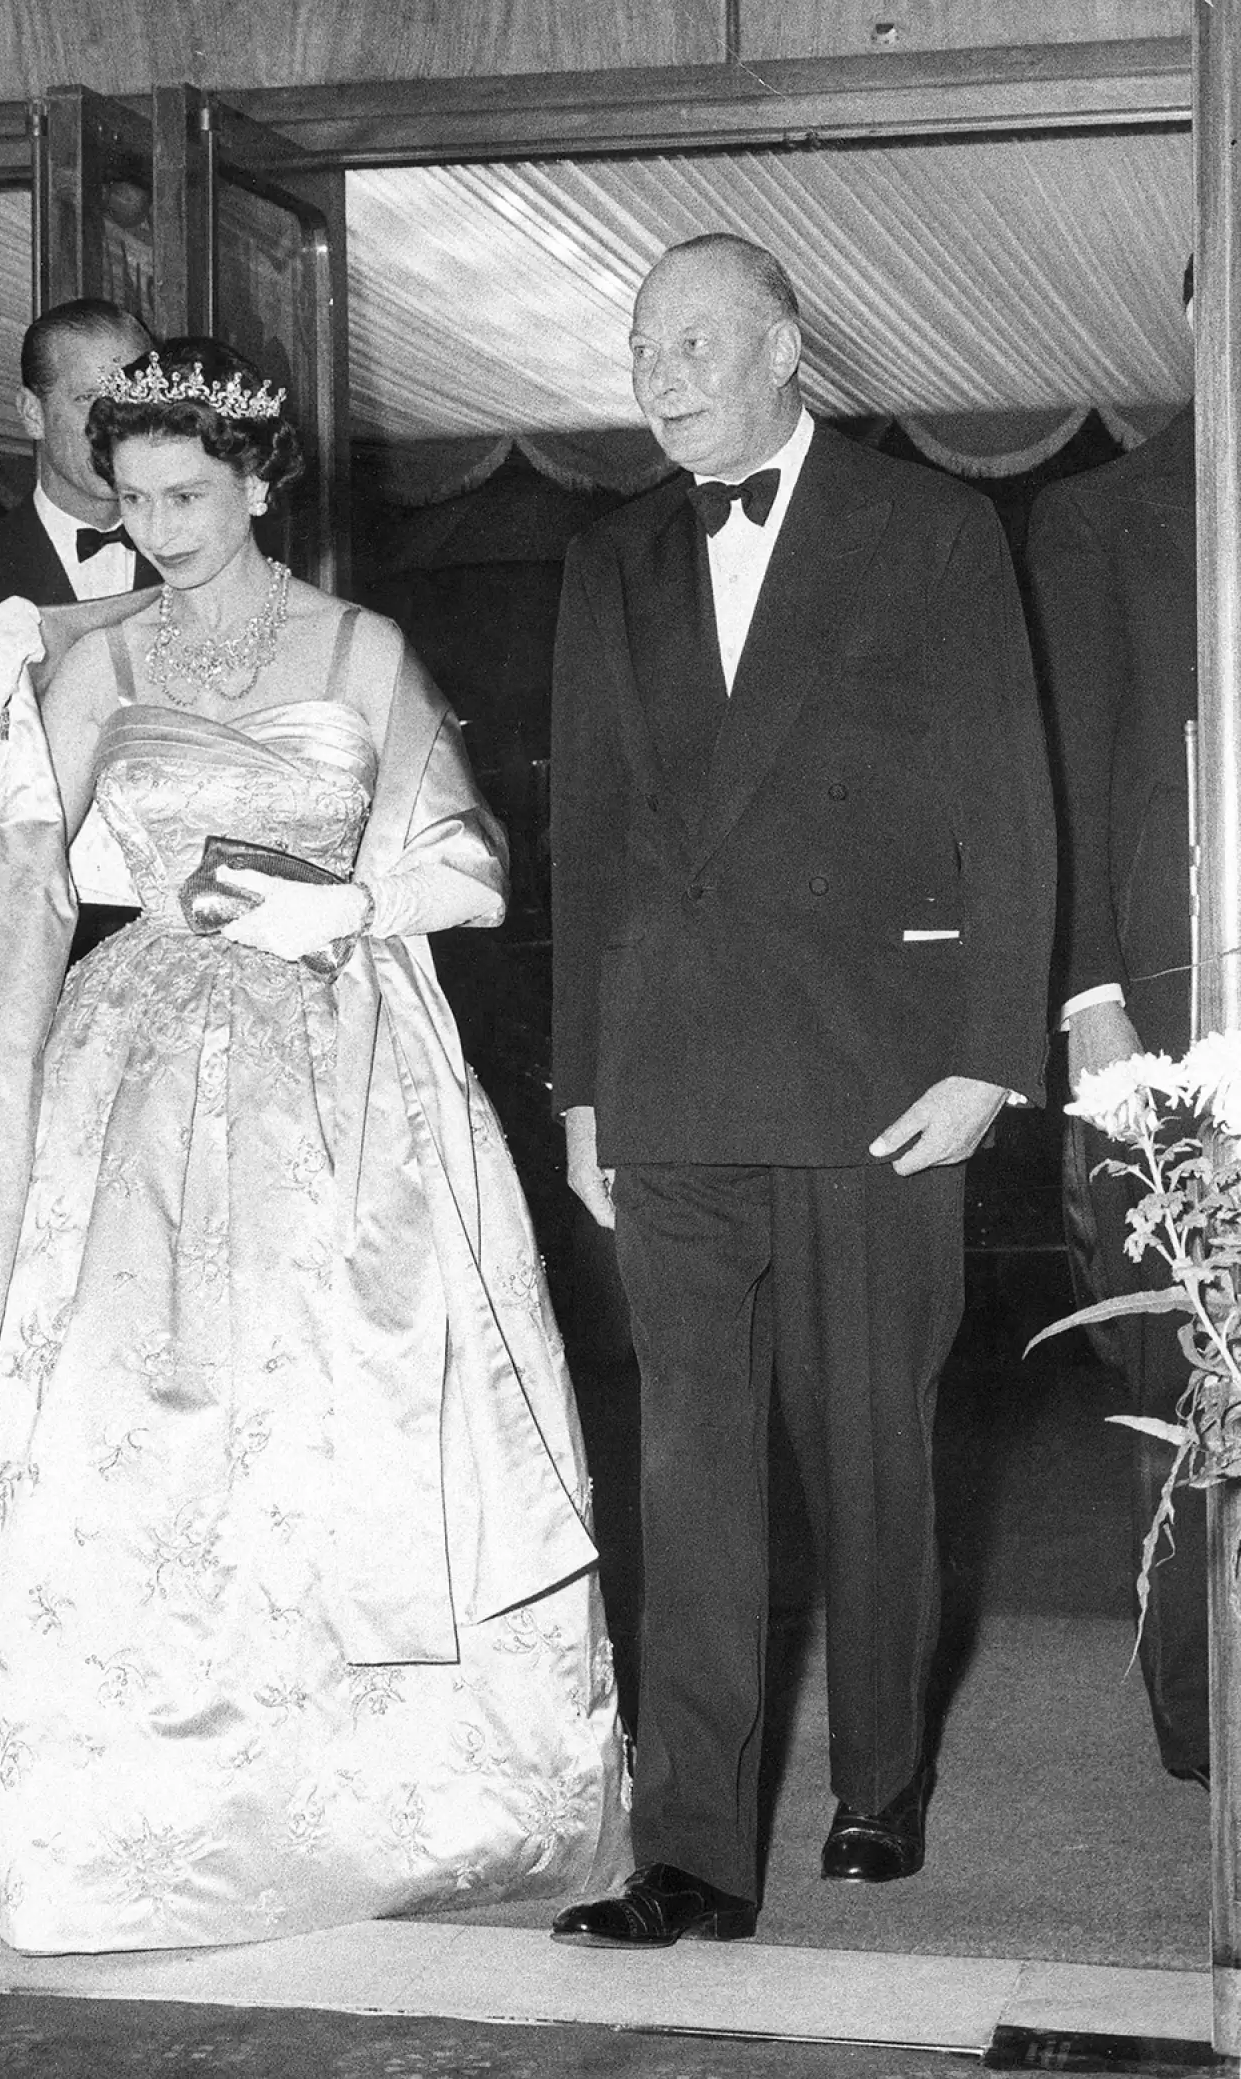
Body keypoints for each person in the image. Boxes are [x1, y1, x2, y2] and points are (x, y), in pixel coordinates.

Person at [0, 337, 628, 1954]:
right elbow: (10, 887)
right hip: (134, 1063)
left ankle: (392, 1796)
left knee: (333, 1409)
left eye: (187, 493)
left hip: (337, 1056)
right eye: (131, 500)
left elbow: (471, 861)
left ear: (259, 485)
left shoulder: (358, 643)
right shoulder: (93, 658)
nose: (159, 527)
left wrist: (358, 899)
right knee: (123, 1420)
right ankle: (117, 1819)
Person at [547, 234, 1055, 1947]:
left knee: (872, 1456)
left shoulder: (933, 525)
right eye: (642, 347)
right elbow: (590, 838)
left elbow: (1010, 793)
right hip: (675, 1082)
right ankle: (689, 1847)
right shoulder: (610, 556)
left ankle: (878, 1782)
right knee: (689, 1474)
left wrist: (993, 1050)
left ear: (786, 345)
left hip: (879, 1079)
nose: (663, 371)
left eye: (695, 339)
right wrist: (584, 1090)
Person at [1025, 260, 1208, 1789]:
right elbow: (1065, 792)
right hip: (1178, 1038)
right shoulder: (1098, 523)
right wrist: (1093, 1005)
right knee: (1182, 1382)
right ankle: (1207, 1717)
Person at [0, 297, 157, 1034]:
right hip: (25, 983)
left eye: (135, 397)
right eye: (90, 400)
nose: (118, 422)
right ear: (29, 412)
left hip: (170, 980)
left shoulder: (203, 569)